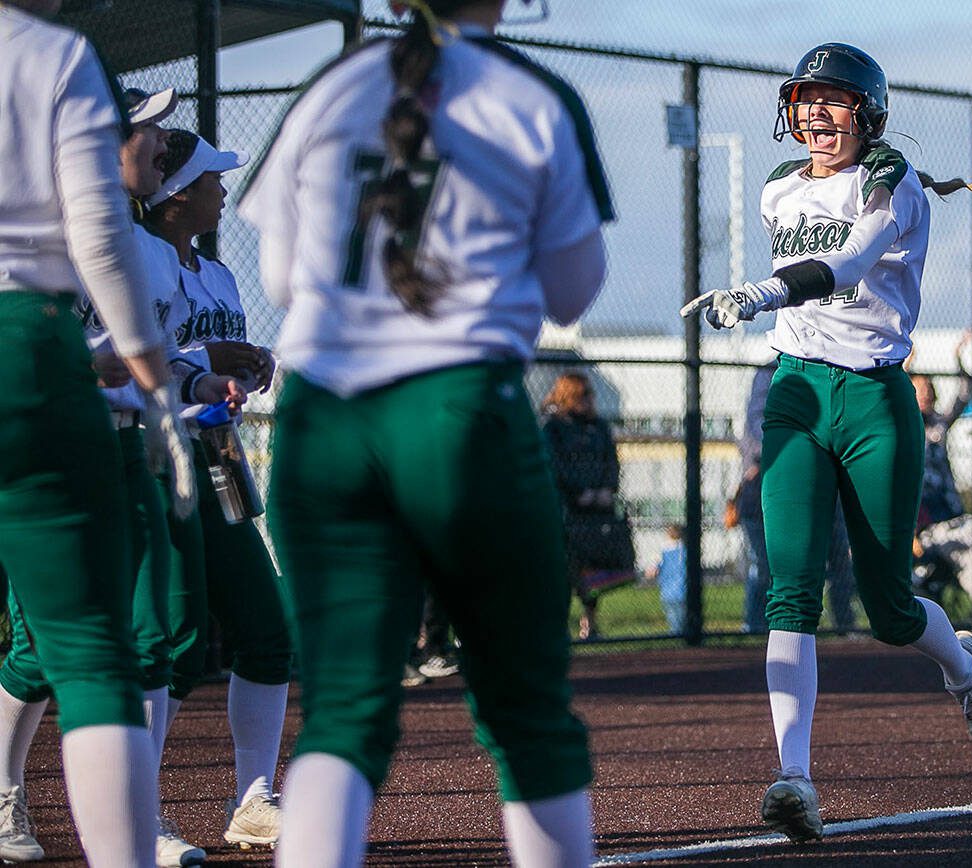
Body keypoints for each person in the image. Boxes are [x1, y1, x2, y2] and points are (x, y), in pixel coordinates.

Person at [237, 0, 612, 864]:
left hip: (321, 411)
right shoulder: (532, 95)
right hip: (458, 410)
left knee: (341, 713)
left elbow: (283, 276)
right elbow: (572, 291)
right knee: (525, 711)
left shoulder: (327, 87)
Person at [681, 42, 972, 844]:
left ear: (869, 112)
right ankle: (794, 777)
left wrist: (761, 290)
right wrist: (771, 305)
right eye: (807, 99)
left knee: (889, 606)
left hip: (872, 397)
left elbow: (854, 256)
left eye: (835, 100)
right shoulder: (777, 186)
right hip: (794, 389)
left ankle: (964, 666)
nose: (818, 114)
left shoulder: (889, 178)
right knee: (790, 586)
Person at [0, 5, 198, 865]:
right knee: (87, 645)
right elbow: (100, 234)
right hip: (23, 342)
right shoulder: (48, 53)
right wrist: (153, 377)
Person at [142, 127, 292, 853]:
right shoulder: (135, 262)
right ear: (174, 199)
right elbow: (126, 361)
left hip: (219, 460)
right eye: (209, 181)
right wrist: (202, 362)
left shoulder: (220, 276)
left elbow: (209, 366)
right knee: (173, 641)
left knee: (266, 630)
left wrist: (249, 366)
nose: (222, 191)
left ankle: (253, 799)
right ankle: (139, 812)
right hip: (152, 462)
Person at [735, 361, 856, 634]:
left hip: (822, 482)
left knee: (837, 560)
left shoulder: (831, 368)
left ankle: (844, 624)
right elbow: (759, 425)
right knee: (769, 564)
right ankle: (756, 626)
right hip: (772, 483)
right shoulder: (770, 373)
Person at [541, 371, 634, 641]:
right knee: (564, 571)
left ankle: (590, 623)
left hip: (598, 513)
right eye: (583, 395)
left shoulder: (599, 427)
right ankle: (558, 626)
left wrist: (605, 490)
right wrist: (579, 492)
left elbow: (611, 462)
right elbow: (554, 465)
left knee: (595, 571)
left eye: (590, 395)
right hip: (567, 511)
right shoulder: (553, 428)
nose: (589, 400)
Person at [910, 334, 972, 608]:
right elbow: (887, 397)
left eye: (929, 388)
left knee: (970, 541)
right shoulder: (904, 427)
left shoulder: (937, 425)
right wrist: (905, 366)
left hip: (947, 508)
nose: (926, 393)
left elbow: (965, 395)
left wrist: (959, 357)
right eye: (920, 389)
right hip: (921, 517)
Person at [647, 525, 687, 635]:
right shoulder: (686, 550)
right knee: (684, 620)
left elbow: (651, 572)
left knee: (674, 623)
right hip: (685, 591)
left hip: (668, 592)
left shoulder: (663, 552)